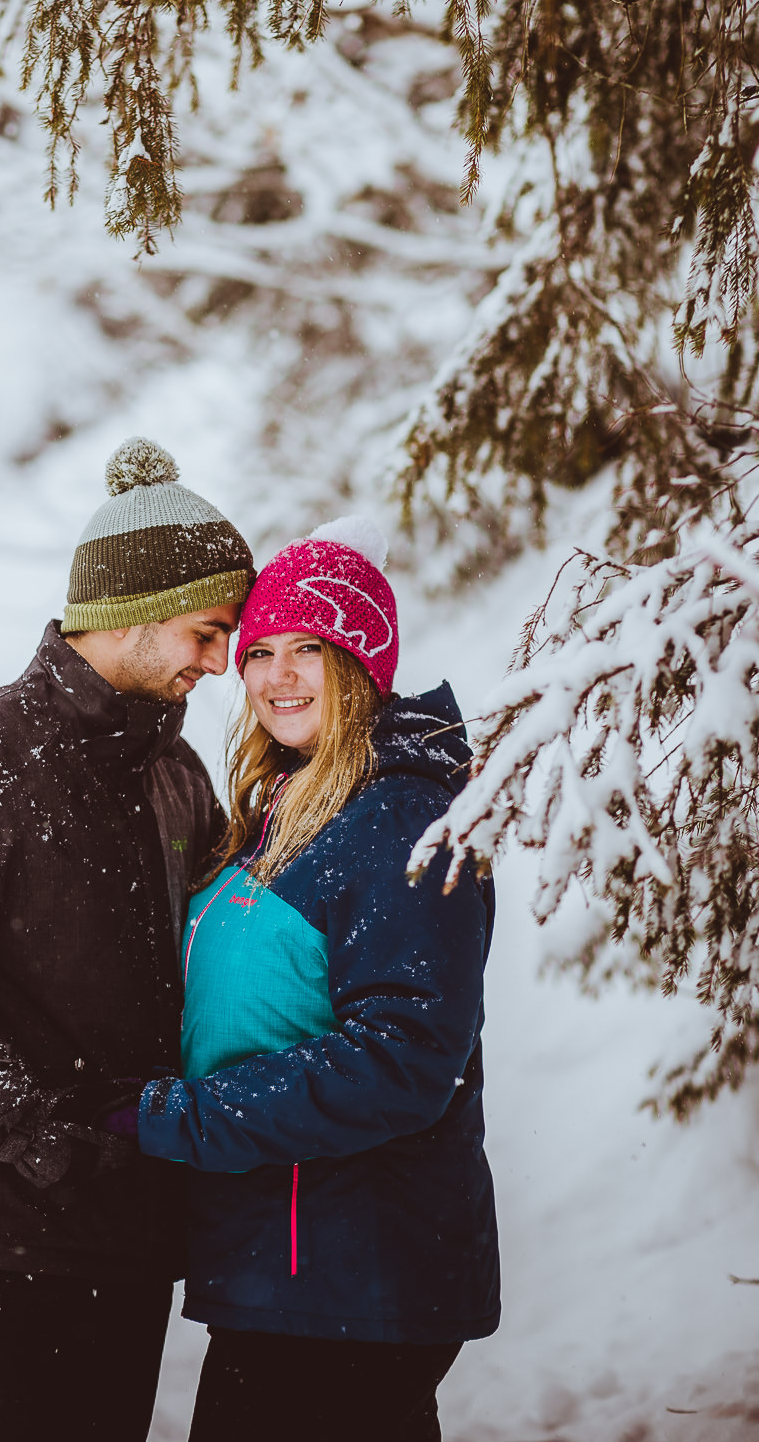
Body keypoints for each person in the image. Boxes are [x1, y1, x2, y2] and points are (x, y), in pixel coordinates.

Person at [0, 438, 255, 1442]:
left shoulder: (173, 770)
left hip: (129, 1219)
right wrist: (33, 1135)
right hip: (2, 1226)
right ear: (137, 609)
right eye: (207, 630)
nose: (217, 658)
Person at [137, 517, 500, 1441]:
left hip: (352, 1264)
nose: (277, 675)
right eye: (258, 650)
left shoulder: (401, 812)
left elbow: (404, 1058)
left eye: (310, 648)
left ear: (363, 662)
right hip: (286, 1259)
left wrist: (179, 1118)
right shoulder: (287, 806)